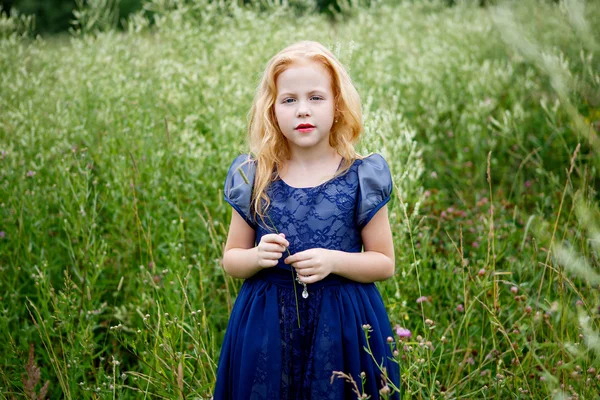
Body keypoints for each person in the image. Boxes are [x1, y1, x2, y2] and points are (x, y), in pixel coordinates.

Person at [214, 40, 400, 399]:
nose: (303, 110)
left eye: (316, 98)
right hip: (266, 324)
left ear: (337, 105)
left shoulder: (362, 175)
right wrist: (255, 257)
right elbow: (231, 259)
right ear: (272, 110)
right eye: (289, 100)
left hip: (342, 324)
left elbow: (384, 262)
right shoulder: (254, 176)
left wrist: (334, 260)